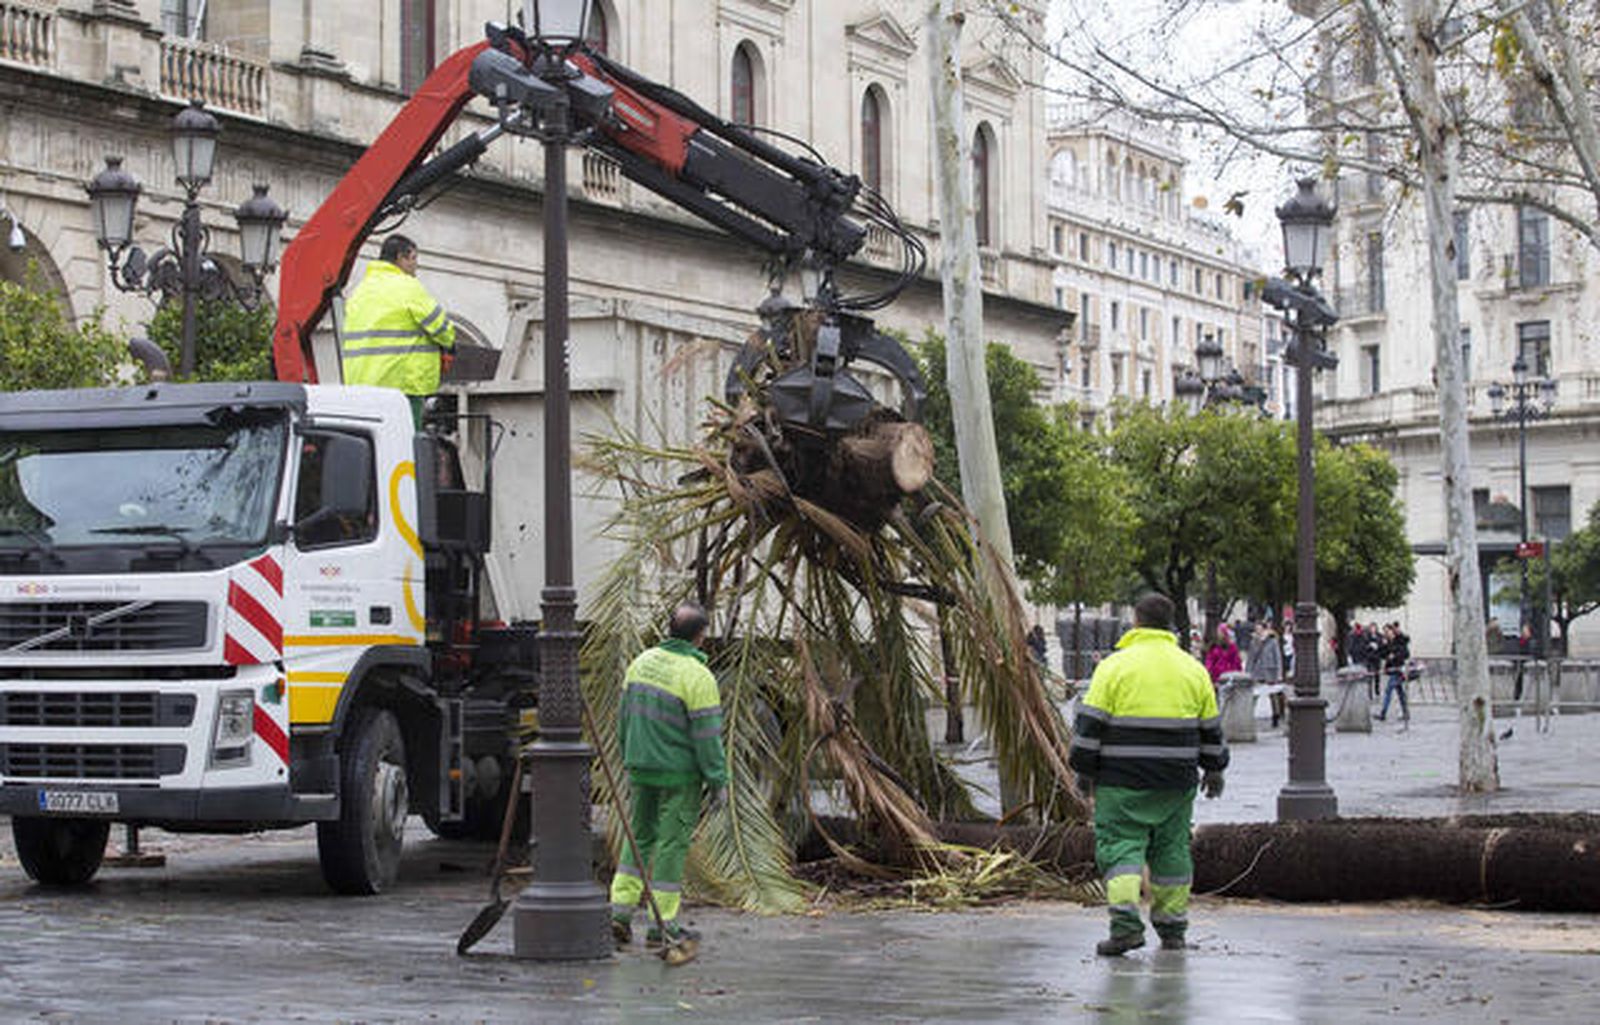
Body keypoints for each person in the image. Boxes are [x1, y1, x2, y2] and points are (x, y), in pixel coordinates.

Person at [1068, 593, 1228, 956]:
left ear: (1135, 622)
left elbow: (1090, 727)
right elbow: (1211, 730)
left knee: (1121, 849)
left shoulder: (1114, 667)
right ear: (1170, 624)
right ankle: (1173, 931)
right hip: (1176, 781)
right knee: (1171, 852)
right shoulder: (1192, 669)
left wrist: (1084, 771)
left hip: (1120, 782)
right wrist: (1215, 770)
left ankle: (1125, 929)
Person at [608, 602, 728, 948]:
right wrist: (718, 781)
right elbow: (707, 738)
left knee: (640, 838)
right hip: (679, 776)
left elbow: (624, 719)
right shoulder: (696, 676)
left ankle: (620, 913)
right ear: (701, 636)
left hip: (640, 769)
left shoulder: (640, 664)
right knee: (671, 845)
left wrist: (628, 757)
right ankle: (663, 925)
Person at [340, 233, 457, 426]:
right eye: (413, 259)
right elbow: (442, 328)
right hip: (402, 385)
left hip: (361, 387)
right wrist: (449, 344)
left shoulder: (360, 291)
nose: (415, 267)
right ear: (400, 258)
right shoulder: (407, 287)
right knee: (406, 446)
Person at [1247, 620, 1286, 727]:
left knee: (1273, 695)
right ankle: (1249, 715)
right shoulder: (1254, 641)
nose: (1258, 631)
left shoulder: (1272, 641)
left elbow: (1277, 657)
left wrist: (1279, 674)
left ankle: (1276, 716)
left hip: (1270, 670)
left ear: (1265, 629)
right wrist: (1248, 673)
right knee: (1254, 694)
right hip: (1257, 671)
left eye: (1260, 629)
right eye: (1256, 629)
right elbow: (1251, 658)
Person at [1375, 622, 1411, 722]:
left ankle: (1383, 713)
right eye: (1384, 632)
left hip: (1398, 670)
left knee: (1388, 691)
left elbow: (1405, 653)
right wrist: (1381, 646)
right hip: (1393, 670)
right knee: (1400, 693)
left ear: (1392, 631)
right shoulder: (1388, 643)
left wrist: (1395, 656)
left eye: (1387, 631)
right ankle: (1406, 712)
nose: (1386, 633)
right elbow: (1382, 654)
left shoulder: (1399, 641)